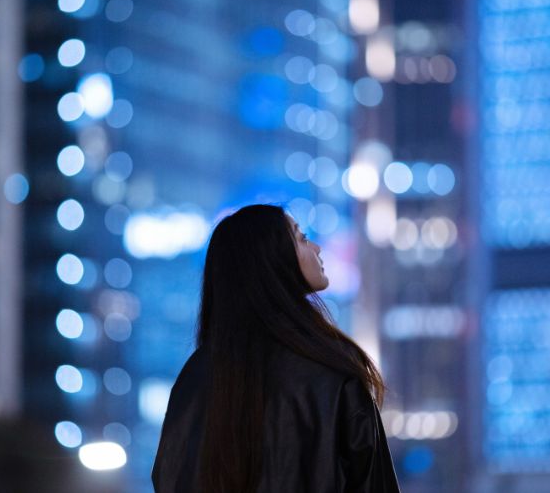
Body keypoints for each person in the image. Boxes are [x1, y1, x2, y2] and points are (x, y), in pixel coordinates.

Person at [152, 204, 401, 493]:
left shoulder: (195, 377)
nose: (317, 248)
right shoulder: (332, 370)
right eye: (303, 238)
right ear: (273, 258)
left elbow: (169, 477)